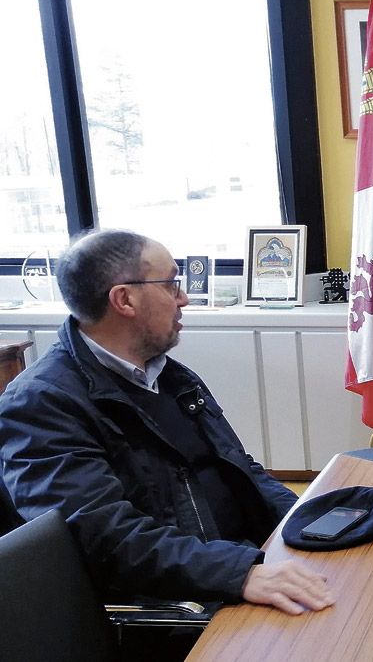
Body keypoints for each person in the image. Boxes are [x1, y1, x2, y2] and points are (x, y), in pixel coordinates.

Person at [0, 229, 334, 617]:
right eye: (172, 284)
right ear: (124, 299)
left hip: (241, 565)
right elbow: (109, 539)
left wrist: (308, 522)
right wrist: (240, 573)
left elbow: (241, 469)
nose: (184, 298)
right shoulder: (41, 404)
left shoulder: (169, 375)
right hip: (185, 602)